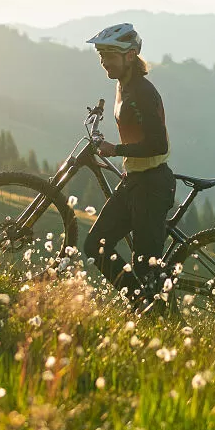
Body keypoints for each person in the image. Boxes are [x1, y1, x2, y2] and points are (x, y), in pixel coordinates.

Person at [82, 23, 175, 302]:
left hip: (152, 184)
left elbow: (158, 145)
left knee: (146, 268)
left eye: (109, 56)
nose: (103, 63)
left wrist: (116, 149)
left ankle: (150, 310)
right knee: (95, 245)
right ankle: (139, 302)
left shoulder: (143, 92)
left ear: (130, 56)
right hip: (136, 179)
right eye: (100, 56)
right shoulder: (124, 85)